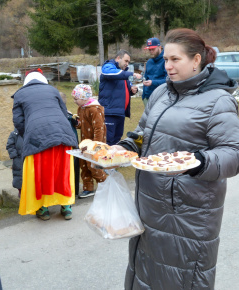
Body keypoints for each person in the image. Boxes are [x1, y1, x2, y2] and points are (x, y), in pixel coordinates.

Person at [113, 28, 239, 289]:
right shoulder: (161, 93)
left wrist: (195, 162)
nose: (168, 66)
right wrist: (124, 147)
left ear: (196, 60)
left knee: (180, 278)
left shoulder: (218, 101)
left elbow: (233, 154)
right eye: (166, 60)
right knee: (145, 272)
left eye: (175, 60)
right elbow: (142, 133)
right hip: (149, 206)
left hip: (187, 213)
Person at [12, 69, 78, 221]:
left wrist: (28, 134)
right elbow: (63, 113)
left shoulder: (20, 94)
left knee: (41, 173)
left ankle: (43, 209)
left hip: (37, 135)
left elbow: (18, 121)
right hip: (63, 134)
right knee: (62, 171)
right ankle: (66, 207)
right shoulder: (53, 90)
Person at [99, 50, 141, 146]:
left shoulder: (123, 73)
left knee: (117, 141)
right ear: (118, 58)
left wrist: (132, 90)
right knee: (107, 142)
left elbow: (124, 90)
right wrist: (132, 74)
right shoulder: (108, 67)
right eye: (126, 61)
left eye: (128, 62)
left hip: (120, 113)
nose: (127, 64)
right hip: (109, 112)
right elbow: (111, 73)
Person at [72, 84, 107, 198]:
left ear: (83, 97)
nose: (74, 101)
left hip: (94, 144)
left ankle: (104, 184)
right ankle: (88, 188)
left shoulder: (94, 109)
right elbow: (82, 124)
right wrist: (77, 123)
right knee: (84, 165)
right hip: (84, 143)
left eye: (76, 99)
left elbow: (99, 128)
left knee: (93, 165)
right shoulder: (81, 108)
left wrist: (96, 145)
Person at [59, 91, 80, 196]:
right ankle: (74, 189)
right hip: (74, 142)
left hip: (68, 144)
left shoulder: (67, 115)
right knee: (73, 167)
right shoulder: (69, 114)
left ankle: (70, 190)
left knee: (68, 167)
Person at [142, 37, 168, 107]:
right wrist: (144, 96)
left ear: (159, 47)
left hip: (161, 98)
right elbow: (146, 78)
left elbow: (168, 80)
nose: (151, 51)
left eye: (153, 49)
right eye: (149, 49)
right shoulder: (149, 62)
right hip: (148, 97)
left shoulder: (166, 61)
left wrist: (153, 82)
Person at [6, 128, 24, 198]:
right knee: (19, 180)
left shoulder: (30, 133)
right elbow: (10, 145)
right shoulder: (14, 134)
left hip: (28, 160)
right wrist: (15, 156)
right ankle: (22, 197)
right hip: (18, 161)